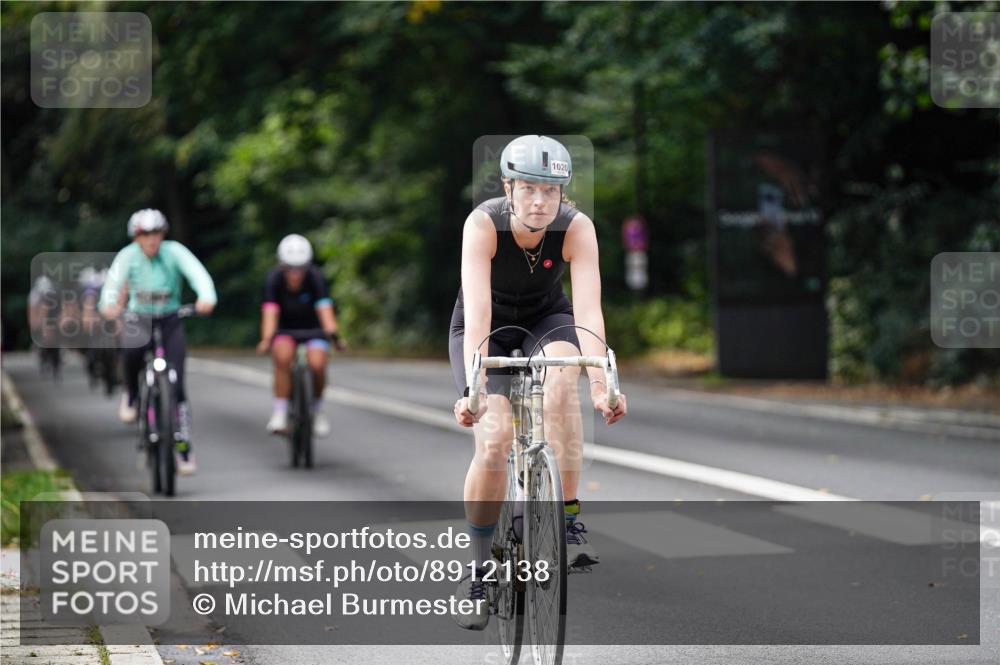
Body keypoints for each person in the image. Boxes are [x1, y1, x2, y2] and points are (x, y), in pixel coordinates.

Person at [449, 135, 628, 630]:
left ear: (562, 193)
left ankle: (567, 522)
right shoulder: (484, 224)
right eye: (528, 188)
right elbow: (480, 311)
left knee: (563, 380)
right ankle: (479, 569)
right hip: (488, 326)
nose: (539, 201)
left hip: (547, 319)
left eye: (550, 191)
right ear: (509, 186)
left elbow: (589, 311)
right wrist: (475, 388)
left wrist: (600, 383)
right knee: (493, 441)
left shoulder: (576, 228)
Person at [99, 209, 217, 475]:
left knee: (177, 385)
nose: (151, 240)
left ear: (163, 234)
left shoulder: (174, 251)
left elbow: (197, 273)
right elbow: (113, 284)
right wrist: (108, 305)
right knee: (130, 353)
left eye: (156, 233)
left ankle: (184, 449)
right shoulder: (128, 256)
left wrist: (206, 296)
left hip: (171, 319)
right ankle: (130, 394)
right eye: (145, 235)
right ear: (136, 237)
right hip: (138, 318)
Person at [256, 234, 343, 437]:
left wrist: (335, 336)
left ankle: (317, 410)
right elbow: (270, 312)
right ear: (282, 266)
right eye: (290, 268)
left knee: (318, 364)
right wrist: (266, 339)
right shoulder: (273, 279)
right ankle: (280, 412)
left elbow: (325, 310)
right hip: (285, 330)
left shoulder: (316, 277)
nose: (295, 274)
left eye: (300, 268)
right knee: (283, 357)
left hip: (313, 329)